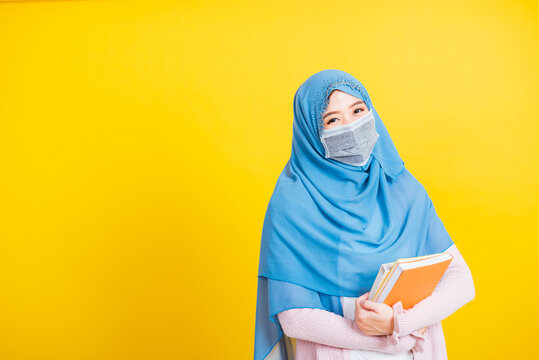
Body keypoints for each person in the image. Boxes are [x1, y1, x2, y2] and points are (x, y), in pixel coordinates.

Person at [254, 69, 475, 360]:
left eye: (358, 110)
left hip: (417, 352)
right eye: (333, 119)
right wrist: (388, 340)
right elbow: (293, 317)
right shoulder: (292, 204)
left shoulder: (403, 186)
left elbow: (461, 279)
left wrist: (400, 324)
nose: (351, 125)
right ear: (311, 133)